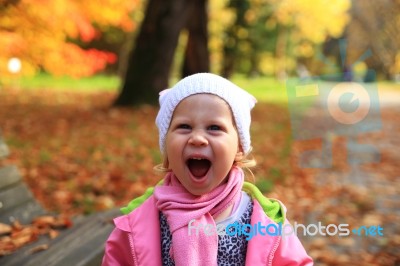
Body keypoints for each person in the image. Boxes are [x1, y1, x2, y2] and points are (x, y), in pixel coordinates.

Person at [102, 73, 313, 265]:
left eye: (214, 128)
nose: (197, 138)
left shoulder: (262, 220)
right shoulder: (140, 220)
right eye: (184, 126)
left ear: (239, 148)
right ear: (166, 146)